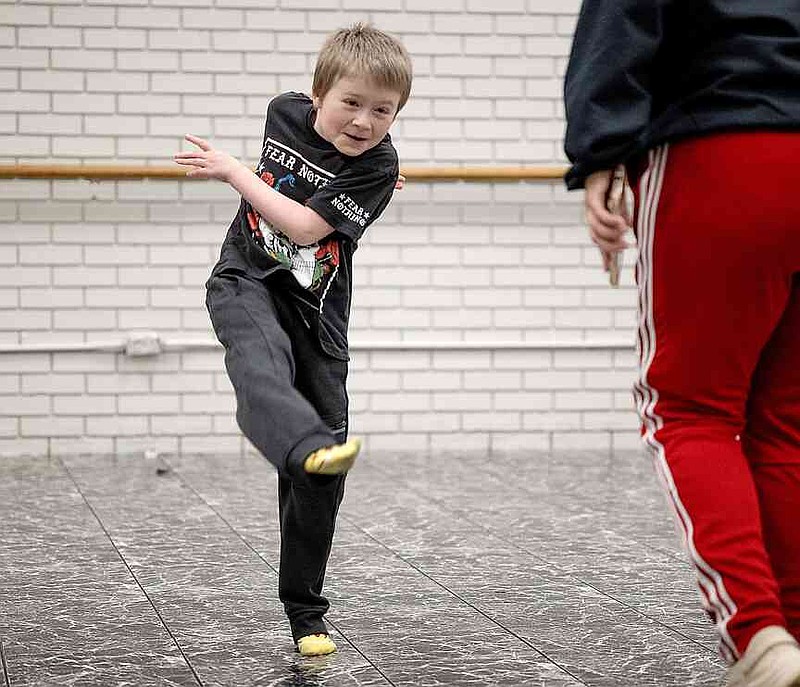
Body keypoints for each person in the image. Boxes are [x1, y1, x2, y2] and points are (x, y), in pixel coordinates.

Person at [563, 2, 800, 685]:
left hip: (723, 140)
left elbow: (624, 15)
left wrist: (602, 147)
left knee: (689, 408)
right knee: (783, 423)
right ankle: (789, 632)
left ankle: (757, 631)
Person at [173, 22, 412, 657]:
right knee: (261, 369)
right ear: (316, 96)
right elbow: (300, 180)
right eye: (351, 104)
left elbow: (307, 230)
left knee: (321, 482)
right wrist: (246, 172)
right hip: (246, 279)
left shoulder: (380, 167)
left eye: (382, 112)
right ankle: (301, 442)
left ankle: (306, 611)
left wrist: (231, 171)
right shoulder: (284, 111)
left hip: (319, 320)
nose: (363, 122)